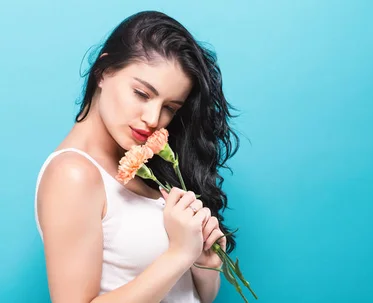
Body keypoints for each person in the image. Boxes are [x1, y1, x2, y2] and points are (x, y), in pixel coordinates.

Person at [34, 10, 240, 303]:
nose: (154, 118)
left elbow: (196, 297)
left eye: (170, 107)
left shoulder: (148, 168)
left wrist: (205, 263)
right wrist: (180, 253)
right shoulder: (74, 174)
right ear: (103, 71)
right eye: (142, 94)